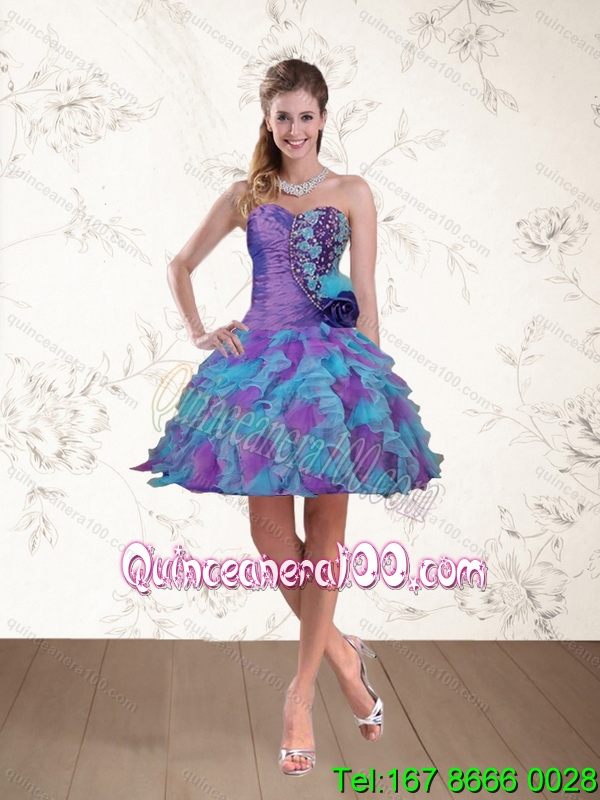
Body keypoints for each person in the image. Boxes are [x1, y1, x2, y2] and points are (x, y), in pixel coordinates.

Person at [131, 57, 444, 777]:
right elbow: (179, 265)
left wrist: (371, 388)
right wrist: (200, 331)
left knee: (326, 535)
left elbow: (365, 293)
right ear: (267, 120)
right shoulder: (246, 195)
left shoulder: (353, 191)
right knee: (270, 535)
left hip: (333, 371)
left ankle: (299, 698)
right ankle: (343, 654)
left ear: (324, 118)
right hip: (261, 370)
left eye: (306, 116)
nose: (295, 129)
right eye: (283, 117)